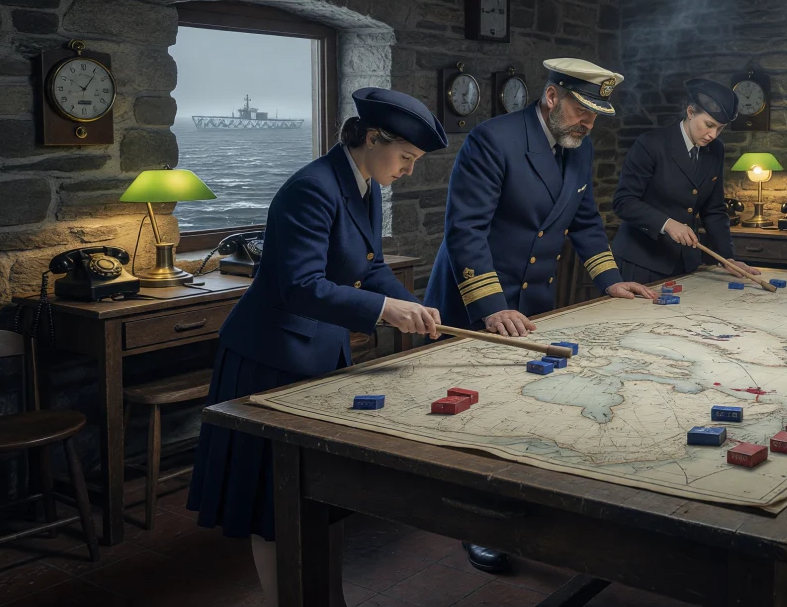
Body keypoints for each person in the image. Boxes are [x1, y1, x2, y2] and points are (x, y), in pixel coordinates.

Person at [188, 88, 448, 607]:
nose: (409, 172)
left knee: (319, 496)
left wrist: (411, 305)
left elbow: (369, 266)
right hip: (270, 357)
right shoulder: (310, 188)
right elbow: (300, 287)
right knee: (274, 506)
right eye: (406, 158)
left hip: (322, 354)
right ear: (374, 138)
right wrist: (383, 312)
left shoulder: (367, 184)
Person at [424, 57, 656, 573]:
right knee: (475, 423)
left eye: (597, 115)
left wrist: (610, 279)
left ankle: (526, 514)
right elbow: (466, 232)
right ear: (552, 97)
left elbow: (587, 221)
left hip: (532, 305)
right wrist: (491, 307)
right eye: (582, 111)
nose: (589, 123)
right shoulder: (493, 139)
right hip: (476, 299)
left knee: (525, 412)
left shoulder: (579, 146)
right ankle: (477, 529)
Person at [612, 78, 761, 283]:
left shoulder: (716, 150)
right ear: (690, 112)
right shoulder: (651, 144)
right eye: (709, 125)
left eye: (720, 128)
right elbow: (624, 202)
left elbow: (714, 210)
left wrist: (728, 258)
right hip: (641, 262)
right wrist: (667, 223)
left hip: (685, 263)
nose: (713, 135)